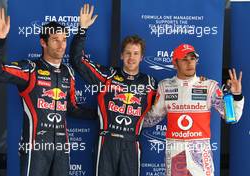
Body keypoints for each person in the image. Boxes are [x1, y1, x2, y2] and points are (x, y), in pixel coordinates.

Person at [0, 8, 96, 176]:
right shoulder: (30, 69)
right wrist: (0, 40)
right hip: (35, 147)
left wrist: (102, 114)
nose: (61, 45)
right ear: (43, 42)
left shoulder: (69, 72)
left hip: (61, 148)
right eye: (55, 40)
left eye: (64, 40)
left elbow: (72, 108)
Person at [69, 4, 157, 176]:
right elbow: (77, 61)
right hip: (106, 140)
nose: (131, 57)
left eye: (136, 53)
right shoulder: (107, 76)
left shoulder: (151, 83)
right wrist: (82, 30)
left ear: (142, 57)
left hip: (132, 143)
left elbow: (171, 99)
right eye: (128, 53)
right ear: (121, 55)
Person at [143, 43, 245, 176]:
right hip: (175, 152)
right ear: (175, 63)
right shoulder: (165, 86)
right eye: (184, 59)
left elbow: (232, 118)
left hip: (201, 154)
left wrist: (236, 95)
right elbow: (152, 118)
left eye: (192, 58)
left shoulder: (210, 86)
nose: (189, 63)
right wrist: (129, 118)